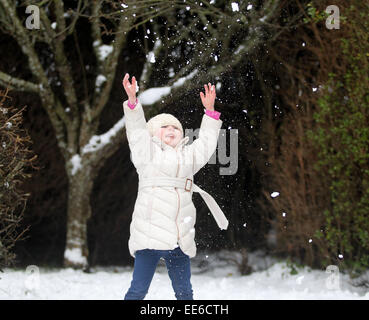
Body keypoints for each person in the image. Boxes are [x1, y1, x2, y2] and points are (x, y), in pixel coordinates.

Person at [122, 73, 228, 300]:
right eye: (164, 127)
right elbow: (137, 132)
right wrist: (133, 104)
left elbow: (206, 144)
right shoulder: (146, 154)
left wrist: (209, 113)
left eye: (176, 127)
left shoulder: (188, 156)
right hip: (149, 235)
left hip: (179, 238)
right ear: (153, 133)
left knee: (184, 292)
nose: (171, 129)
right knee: (138, 290)